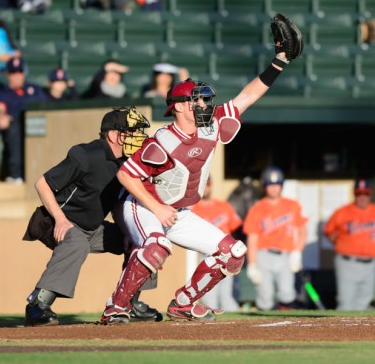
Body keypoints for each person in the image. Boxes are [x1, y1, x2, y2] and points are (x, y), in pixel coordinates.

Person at [97, 30, 300, 323]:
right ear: (179, 107)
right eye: (197, 100)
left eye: (205, 99)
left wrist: (279, 62)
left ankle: (183, 303)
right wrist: (157, 208)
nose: (204, 105)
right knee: (156, 248)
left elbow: (248, 96)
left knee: (234, 252)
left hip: (179, 211)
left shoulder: (211, 126)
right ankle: (116, 307)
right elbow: (126, 176)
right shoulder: (163, 141)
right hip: (143, 206)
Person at [23, 106, 160, 326]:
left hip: (93, 228)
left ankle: (129, 302)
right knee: (77, 242)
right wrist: (60, 219)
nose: (138, 137)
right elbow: (42, 184)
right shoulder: (86, 154)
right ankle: (37, 305)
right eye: (132, 132)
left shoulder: (127, 163)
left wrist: (128, 230)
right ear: (114, 135)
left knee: (144, 238)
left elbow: (119, 203)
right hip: (54, 221)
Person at [243, 166, 308, 311]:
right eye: (270, 185)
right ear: (265, 186)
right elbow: (252, 238)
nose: (273, 189)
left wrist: (297, 252)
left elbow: (303, 231)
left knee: (287, 295)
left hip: (286, 255)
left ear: (281, 186)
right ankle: (265, 330)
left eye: (277, 185)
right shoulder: (257, 208)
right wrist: (252, 264)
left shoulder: (292, 205)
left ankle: (286, 330)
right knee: (265, 297)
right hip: (264, 255)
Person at [323, 178, 375, 310]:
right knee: (346, 303)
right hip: (348, 262)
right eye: (359, 193)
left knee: (364, 303)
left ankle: (359, 332)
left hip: (370, 264)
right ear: (354, 194)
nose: (362, 197)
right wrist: (339, 241)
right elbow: (328, 231)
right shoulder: (342, 212)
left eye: (365, 193)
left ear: (370, 194)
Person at [0, 57, 49, 183]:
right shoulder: (3, 93)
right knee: (15, 127)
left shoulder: (34, 90)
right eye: (13, 72)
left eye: (19, 71)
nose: (17, 75)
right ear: (8, 74)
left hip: (37, 125)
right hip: (16, 126)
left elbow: (47, 108)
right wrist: (1, 117)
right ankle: (15, 174)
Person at [190, 178, 243, 312]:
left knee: (227, 296)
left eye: (207, 185)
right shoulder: (192, 209)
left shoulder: (223, 206)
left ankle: (237, 327)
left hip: (226, 255)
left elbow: (237, 229)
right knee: (209, 296)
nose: (205, 189)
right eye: (203, 186)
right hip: (206, 255)